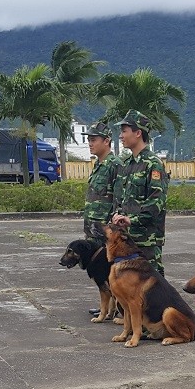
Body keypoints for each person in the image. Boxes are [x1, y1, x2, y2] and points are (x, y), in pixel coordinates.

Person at [110, 109, 168, 275]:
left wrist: (131, 220)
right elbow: (119, 199)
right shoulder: (126, 164)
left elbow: (156, 202)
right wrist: (117, 216)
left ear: (137, 133)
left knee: (151, 289)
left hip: (146, 241)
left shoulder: (152, 164)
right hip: (125, 239)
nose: (121, 136)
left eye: (124, 131)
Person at [81, 121, 122, 316]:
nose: (90, 143)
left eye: (94, 139)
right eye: (89, 140)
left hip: (105, 231)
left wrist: (111, 229)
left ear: (106, 141)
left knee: (109, 270)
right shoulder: (99, 165)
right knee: (99, 271)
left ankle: (116, 307)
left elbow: (118, 198)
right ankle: (105, 306)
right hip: (94, 229)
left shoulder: (114, 165)